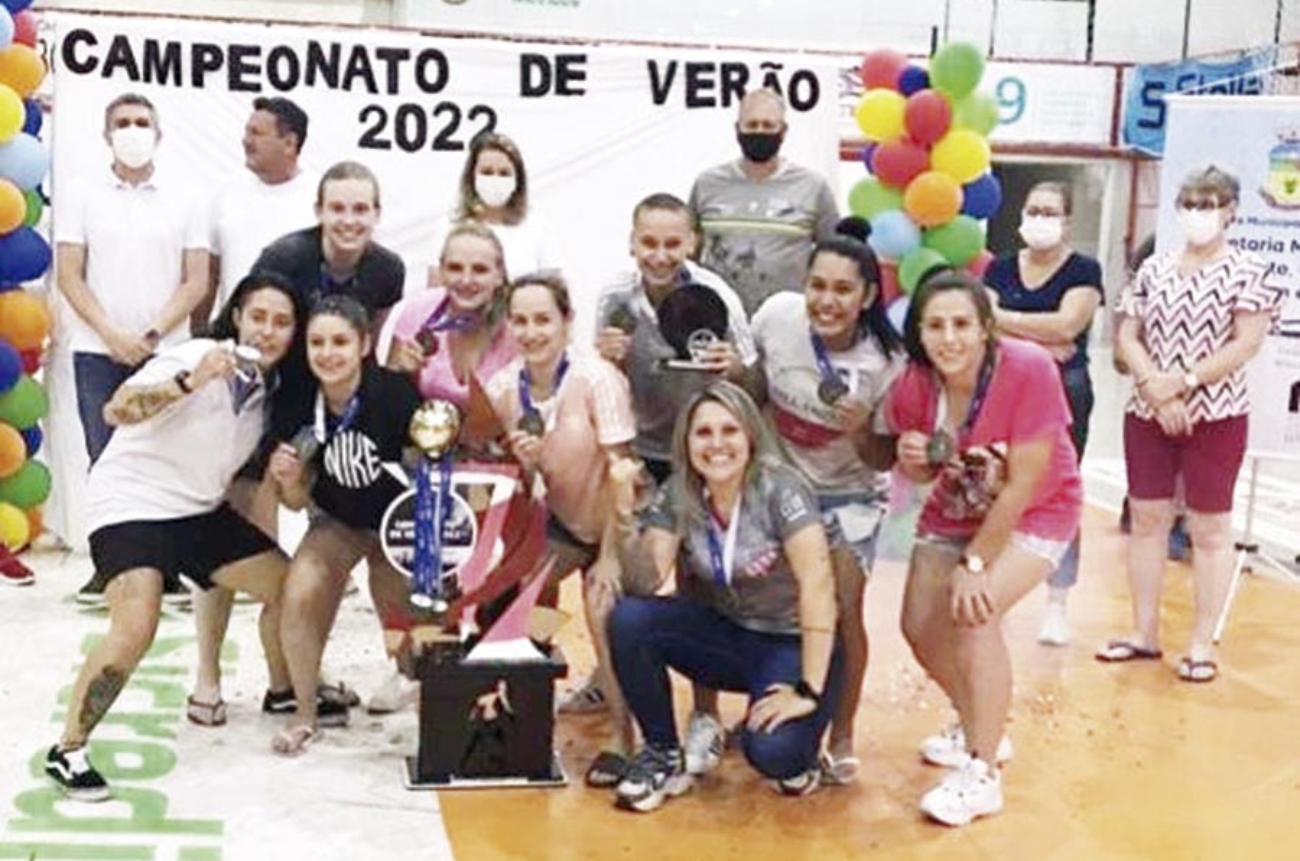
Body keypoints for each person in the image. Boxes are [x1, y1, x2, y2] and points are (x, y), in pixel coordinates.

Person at [43, 273, 301, 801]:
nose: (267, 331)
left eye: (281, 322)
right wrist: (190, 380)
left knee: (294, 588)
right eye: (258, 317)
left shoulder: (271, 391)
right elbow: (117, 409)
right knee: (137, 624)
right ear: (237, 318)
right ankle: (68, 749)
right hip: (130, 505)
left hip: (197, 513)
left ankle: (282, 690)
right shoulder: (197, 355)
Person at [884, 271, 1082, 827]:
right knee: (920, 627)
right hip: (953, 508)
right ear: (919, 332)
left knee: (974, 614)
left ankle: (982, 771)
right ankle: (977, 721)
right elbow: (915, 472)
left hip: (1038, 507)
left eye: (962, 325)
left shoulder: (1028, 368)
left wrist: (975, 564)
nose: (950, 339)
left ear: (986, 329)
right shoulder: (914, 386)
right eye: (936, 326)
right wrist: (913, 459)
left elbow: (1023, 481)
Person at [605, 381, 842, 813]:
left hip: (793, 643)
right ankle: (662, 754)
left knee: (772, 753)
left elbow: (818, 586)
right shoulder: (680, 492)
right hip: (731, 637)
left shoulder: (781, 489)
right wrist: (622, 514)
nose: (717, 444)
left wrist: (807, 688)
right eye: (703, 433)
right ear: (687, 441)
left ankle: (803, 757)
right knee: (629, 618)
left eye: (729, 430)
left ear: (750, 434)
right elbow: (645, 583)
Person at [1097, 166, 1278, 684]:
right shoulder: (1154, 269)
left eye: (1209, 204)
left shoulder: (1248, 270)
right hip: (1148, 409)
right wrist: (1155, 383)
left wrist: (1186, 382)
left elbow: (1245, 343)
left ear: (1231, 211)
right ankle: (1143, 631)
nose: (1198, 213)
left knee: (1210, 527)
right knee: (1149, 519)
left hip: (1216, 413)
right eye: (1190, 203)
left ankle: (1201, 643)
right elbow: (1128, 333)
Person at [750, 222, 903, 783]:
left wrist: (862, 431)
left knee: (842, 610)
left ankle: (842, 732)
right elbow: (752, 390)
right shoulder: (777, 317)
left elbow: (884, 460)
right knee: (747, 596)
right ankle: (713, 716)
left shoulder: (890, 362)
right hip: (779, 487)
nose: (826, 300)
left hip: (851, 496)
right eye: (818, 285)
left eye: (843, 290)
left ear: (866, 296)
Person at [483, 273, 639, 786]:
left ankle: (624, 736)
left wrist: (612, 556)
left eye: (543, 319)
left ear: (566, 321)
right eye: (521, 321)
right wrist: (522, 466)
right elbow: (511, 492)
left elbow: (623, 473)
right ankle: (528, 712)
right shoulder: (504, 389)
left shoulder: (596, 379)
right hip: (566, 525)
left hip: (622, 520)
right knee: (518, 593)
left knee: (602, 608)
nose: (531, 332)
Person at [55, 92, 210, 606]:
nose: (133, 130)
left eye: (142, 122)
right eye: (122, 122)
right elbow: (70, 275)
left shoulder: (187, 197)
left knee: (165, 459)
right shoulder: (81, 193)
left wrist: (150, 335)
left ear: (159, 134)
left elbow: (196, 280)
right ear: (106, 136)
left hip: (167, 352)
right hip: (96, 351)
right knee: (106, 460)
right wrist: (111, 334)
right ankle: (111, 570)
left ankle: (166, 570)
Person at [266, 295, 424, 755]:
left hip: (398, 520)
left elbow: (425, 477)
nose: (328, 353)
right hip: (337, 519)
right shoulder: (296, 401)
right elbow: (295, 504)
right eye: (317, 342)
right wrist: (290, 480)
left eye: (340, 341)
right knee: (300, 591)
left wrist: (410, 545)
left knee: (397, 602)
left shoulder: (396, 394)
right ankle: (304, 712)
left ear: (364, 345)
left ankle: (420, 695)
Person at [984, 181, 1103, 646]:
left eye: (1049, 211)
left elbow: (1069, 325)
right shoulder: (998, 267)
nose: (1039, 218)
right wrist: (1044, 337)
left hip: (1065, 393)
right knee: (995, 483)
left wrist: (1007, 323)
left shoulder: (1083, 270)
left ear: (1067, 219)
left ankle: (1058, 602)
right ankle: (997, 583)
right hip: (1003, 390)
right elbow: (985, 323)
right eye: (1032, 209)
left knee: (1059, 489)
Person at [594, 193, 756, 485]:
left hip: (704, 448)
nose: (660, 257)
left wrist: (733, 367)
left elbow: (754, 381)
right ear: (632, 243)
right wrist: (606, 360)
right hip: (639, 448)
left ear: (691, 243)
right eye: (649, 243)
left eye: (672, 244)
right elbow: (603, 381)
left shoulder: (718, 294)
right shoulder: (614, 296)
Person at [689, 88, 839, 316]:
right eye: (752, 124)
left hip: (788, 321)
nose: (760, 131)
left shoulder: (813, 186)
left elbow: (835, 258)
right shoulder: (706, 184)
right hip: (717, 319)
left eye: (768, 126)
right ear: (737, 129)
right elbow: (688, 254)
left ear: (784, 130)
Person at [196, 96, 316, 328]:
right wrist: (200, 331)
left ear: (290, 143)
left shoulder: (318, 197)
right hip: (233, 335)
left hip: (297, 339)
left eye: (257, 133)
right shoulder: (226, 191)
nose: (246, 141)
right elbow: (211, 272)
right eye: (247, 132)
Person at [428, 132, 552, 289]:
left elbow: (552, 293)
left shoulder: (537, 226)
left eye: (504, 173)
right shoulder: (449, 226)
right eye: (487, 172)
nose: (495, 179)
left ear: (518, 180)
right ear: (471, 177)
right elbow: (435, 294)